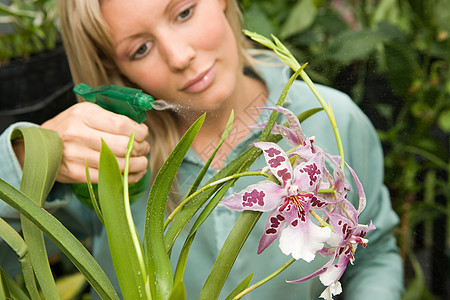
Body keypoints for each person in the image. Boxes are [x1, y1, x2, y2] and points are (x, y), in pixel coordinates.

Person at [0, 0, 404, 299]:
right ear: (116, 71)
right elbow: (11, 256)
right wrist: (29, 159)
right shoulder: (111, 161)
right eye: (140, 49)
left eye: (184, 12)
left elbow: (373, 248)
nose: (181, 57)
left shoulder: (329, 123)